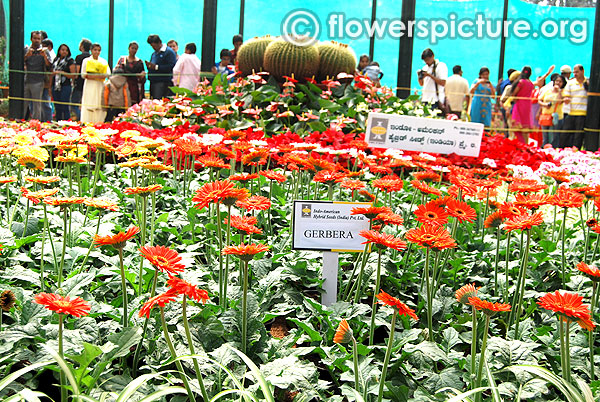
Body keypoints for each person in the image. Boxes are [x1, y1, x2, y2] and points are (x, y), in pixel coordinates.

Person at [23, 31, 51, 121]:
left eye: (38, 39)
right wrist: (27, 55)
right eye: (35, 38)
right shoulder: (26, 49)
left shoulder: (45, 51)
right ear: (31, 39)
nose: (36, 41)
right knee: (23, 103)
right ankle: (21, 120)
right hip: (26, 80)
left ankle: (35, 123)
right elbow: (19, 62)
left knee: (37, 104)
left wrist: (44, 56)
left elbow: (49, 65)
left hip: (38, 81)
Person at [81, 43, 110, 123]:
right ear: (91, 50)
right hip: (89, 85)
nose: (97, 52)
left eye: (98, 50)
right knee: (89, 104)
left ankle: (99, 123)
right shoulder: (86, 61)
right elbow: (83, 74)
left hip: (100, 85)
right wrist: (95, 76)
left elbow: (108, 73)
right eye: (95, 50)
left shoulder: (103, 61)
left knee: (99, 105)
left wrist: (96, 76)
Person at [562, 64, 588, 149]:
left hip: (583, 112)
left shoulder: (588, 82)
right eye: (574, 72)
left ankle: (576, 151)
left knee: (578, 134)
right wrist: (566, 98)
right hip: (571, 112)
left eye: (577, 72)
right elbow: (565, 95)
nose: (575, 74)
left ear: (582, 71)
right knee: (565, 133)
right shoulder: (570, 83)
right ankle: (563, 150)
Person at [417, 48, 448, 114]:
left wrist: (429, 75)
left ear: (432, 56)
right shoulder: (425, 68)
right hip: (425, 99)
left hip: (435, 99)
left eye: (428, 60)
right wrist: (420, 77)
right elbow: (421, 84)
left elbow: (443, 83)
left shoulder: (440, 66)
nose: (426, 62)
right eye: (425, 61)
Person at [146, 35, 177, 99]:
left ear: (159, 43)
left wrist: (156, 67)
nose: (154, 48)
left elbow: (171, 66)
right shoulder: (154, 54)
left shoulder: (169, 52)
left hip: (163, 82)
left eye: (154, 46)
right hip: (153, 82)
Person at [539, 75, 566, 148]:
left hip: (556, 117)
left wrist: (559, 91)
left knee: (554, 136)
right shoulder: (547, 90)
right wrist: (545, 104)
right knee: (545, 136)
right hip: (546, 116)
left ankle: (554, 150)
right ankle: (544, 150)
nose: (558, 83)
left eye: (560, 81)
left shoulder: (563, 92)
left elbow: (560, 102)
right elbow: (540, 100)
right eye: (557, 81)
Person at [509, 66, 534, 144]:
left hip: (520, 103)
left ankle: (520, 143)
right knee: (525, 126)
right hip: (528, 104)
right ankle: (525, 143)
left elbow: (514, 93)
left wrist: (513, 97)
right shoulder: (531, 83)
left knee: (517, 126)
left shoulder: (521, 82)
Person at [51, 44, 76, 121]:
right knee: (57, 106)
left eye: (66, 50)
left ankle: (66, 122)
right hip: (55, 85)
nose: (64, 51)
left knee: (64, 106)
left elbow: (73, 75)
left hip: (65, 86)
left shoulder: (70, 61)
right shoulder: (56, 60)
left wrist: (61, 72)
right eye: (62, 50)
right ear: (59, 51)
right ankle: (58, 121)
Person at [71, 39, 92, 120]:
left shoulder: (79, 57)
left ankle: (80, 119)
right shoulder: (91, 57)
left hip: (79, 83)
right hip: (89, 83)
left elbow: (77, 72)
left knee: (74, 103)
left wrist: (74, 81)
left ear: (82, 46)